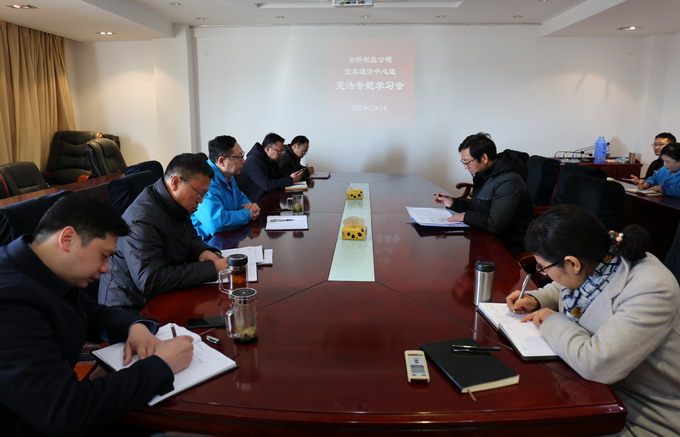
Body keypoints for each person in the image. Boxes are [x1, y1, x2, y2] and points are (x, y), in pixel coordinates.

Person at [0, 194, 194, 436]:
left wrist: (135, 326)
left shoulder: (44, 268)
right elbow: (67, 412)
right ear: (68, 239)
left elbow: (94, 314)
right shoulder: (9, 302)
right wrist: (162, 365)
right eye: (104, 255)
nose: (106, 268)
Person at [506, 204, 680, 436]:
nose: (543, 272)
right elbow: (570, 285)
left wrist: (552, 320)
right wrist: (536, 298)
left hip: (642, 411)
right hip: (591, 388)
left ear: (572, 263)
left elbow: (597, 364)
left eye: (543, 267)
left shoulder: (650, 289)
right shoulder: (600, 257)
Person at [99, 153, 228, 309]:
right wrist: (212, 269)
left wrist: (203, 252)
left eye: (204, 195)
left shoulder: (176, 203)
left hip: (160, 296)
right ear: (175, 182)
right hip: (129, 307)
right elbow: (151, 280)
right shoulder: (142, 220)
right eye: (199, 193)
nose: (200, 200)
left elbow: (190, 237)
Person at [433, 132, 533, 255]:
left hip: (504, 248)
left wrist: (465, 216)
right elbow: (479, 206)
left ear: (484, 158)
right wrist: (453, 203)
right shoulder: (487, 174)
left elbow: (495, 225)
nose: (465, 167)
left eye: (467, 162)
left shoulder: (510, 181)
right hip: (485, 238)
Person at [192, 135, 260, 240]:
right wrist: (247, 214)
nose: (244, 161)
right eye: (239, 157)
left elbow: (238, 196)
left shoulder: (227, 175)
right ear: (221, 161)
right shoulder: (205, 179)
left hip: (226, 235)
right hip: (206, 241)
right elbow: (215, 222)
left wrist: (250, 207)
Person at [236, 132, 305, 201]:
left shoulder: (271, 159)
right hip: (251, 201)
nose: (281, 154)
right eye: (279, 151)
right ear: (268, 149)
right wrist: (291, 179)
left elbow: (277, 177)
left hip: (266, 195)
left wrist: (293, 176)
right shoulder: (253, 161)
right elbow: (267, 185)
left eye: (282, 151)